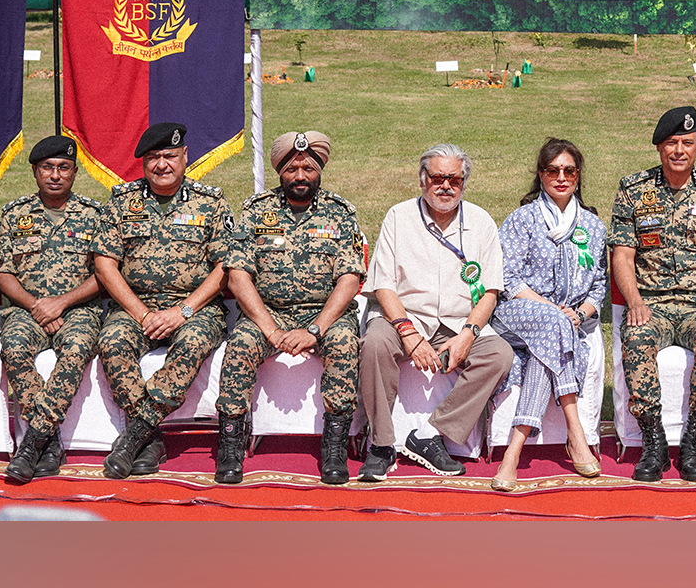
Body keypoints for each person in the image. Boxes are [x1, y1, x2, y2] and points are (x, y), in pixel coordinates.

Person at [215, 131, 368, 486]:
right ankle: (231, 441)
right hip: (269, 313)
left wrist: (315, 329)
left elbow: (349, 279)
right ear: (280, 172)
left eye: (309, 169)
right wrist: (271, 330)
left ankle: (334, 444)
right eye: (292, 169)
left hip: (325, 313)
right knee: (240, 346)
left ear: (320, 171)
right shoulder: (256, 211)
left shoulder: (340, 213)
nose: (300, 176)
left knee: (345, 343)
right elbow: (238, 276)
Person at [358, 142, 514, 481]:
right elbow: (383, 285)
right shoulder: (399, 216)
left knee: (499, 355)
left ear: (463, 183)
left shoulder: (481, 222)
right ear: (422, 179)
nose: (445, 186)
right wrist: (409, 334)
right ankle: (382, 445)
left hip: (459, 321)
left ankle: (430, 435)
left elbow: (489, 291)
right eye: (437, 178)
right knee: (373, 344)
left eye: (454, 180)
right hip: (402, 315)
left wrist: (468, 335)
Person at [93, 122, 233, 479]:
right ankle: (151, 439)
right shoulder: (123, 201)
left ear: (185, 157)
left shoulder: (211, 203)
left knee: (192, 342)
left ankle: (135, 433)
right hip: (134, 306)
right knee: (111, 341)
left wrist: (182, 311)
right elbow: (105, 264)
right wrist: (141, 314)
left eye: (169, 156)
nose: (161, 165)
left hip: (194, 309)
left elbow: (225, 267)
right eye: (153, 158)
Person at [610, 105, 696, 483]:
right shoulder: (633, 189)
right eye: (671, 143)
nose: (679, 150)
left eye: (687, 142)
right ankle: (654, 443)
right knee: (634, 337)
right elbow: (623, 254)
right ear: (659, 148)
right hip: (651, 305)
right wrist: (634, 301)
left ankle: (693, 442)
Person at [489, 138, 607, 490]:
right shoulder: (521, 220)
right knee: (552, 326)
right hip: (516, 313)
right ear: (540, 175)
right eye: (552, 170)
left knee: (548, 341)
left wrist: (581, 312)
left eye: (569, 170)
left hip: (564, 323)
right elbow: (507, 278)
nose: (561, 177)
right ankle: (576, 432)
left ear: (578, 175)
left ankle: (514, 452)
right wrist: (552, 310)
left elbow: (599, 285)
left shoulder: (593, 227)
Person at [0, 135, 112, 484]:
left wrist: (61, 302)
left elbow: (105, 273)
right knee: (13, 347)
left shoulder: (95, 215)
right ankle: (48, 443)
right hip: (25, 309)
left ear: (75, 172)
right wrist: (36, 305)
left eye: (64, 168)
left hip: (79, 309)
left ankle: (34, 439)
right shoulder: (14, 214)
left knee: (76, 348)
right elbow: (3, 272)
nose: (55, 175)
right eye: (48, 167)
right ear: (35, 171)